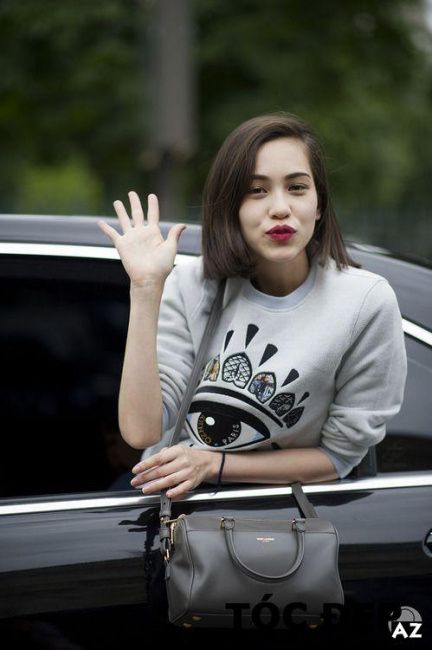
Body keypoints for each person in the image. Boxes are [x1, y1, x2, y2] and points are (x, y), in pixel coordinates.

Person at [97, 112, 407, 500]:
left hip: (282, 517)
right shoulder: (192, 285)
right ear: (231, 207)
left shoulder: (364, 303)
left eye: (297, 188)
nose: (280, 208)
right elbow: (142, 432)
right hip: (174, 511)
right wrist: (145, 288)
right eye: (257, 191)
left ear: (319, 205)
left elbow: (338, 456)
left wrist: (212, 464)